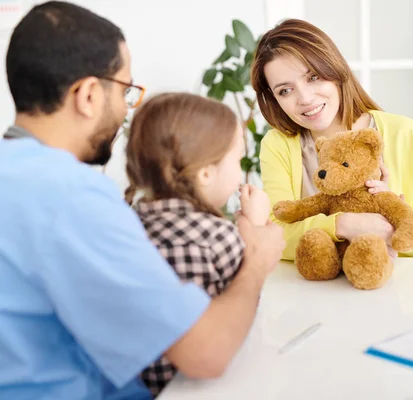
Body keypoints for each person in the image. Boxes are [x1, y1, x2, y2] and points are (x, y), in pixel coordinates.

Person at [0, 2, 285, 399]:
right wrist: (256, 261)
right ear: (87, 95)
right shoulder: (70, 196)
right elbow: (206, 354)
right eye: (124, 90)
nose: (124, 108)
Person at [251, 18, 413, 261]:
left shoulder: (404, 133)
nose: (305, 98)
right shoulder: (278, 145)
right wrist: (344, 224)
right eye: (285, 90)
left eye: (313, 77)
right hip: (313, 291)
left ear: (334, 70)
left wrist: (390, 225)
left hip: (396, 287)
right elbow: (275, 234)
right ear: (274, 99)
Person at [124, 92, 271, 396]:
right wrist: (255, 233)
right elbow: (247, 314)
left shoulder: (127, 227)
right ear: (206, 173)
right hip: (200, 387)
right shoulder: (217, 237)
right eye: (237, 159)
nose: (240, 169)